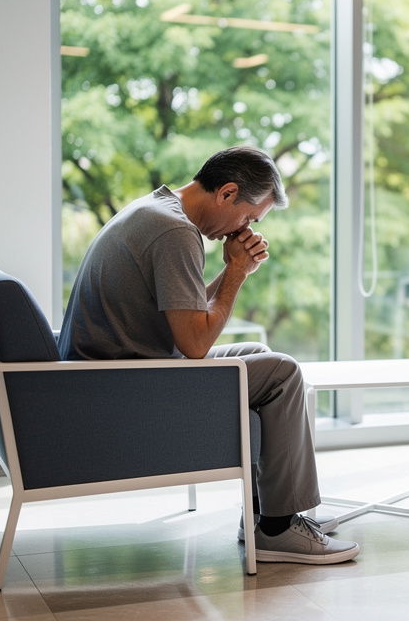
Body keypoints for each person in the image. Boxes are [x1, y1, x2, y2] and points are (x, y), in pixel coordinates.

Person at [58, 145, 359, 565]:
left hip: (115, 372)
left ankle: (264, 514)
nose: (245, 228)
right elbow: (195, 346)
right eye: (249, 217)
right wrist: (235, 273)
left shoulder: (158, 210)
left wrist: (236, 270)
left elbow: (185, 309)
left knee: (258, 354)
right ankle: (277, 528)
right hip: (124, 386)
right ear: (228, 193)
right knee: (283, 372)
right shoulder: (175, 232)